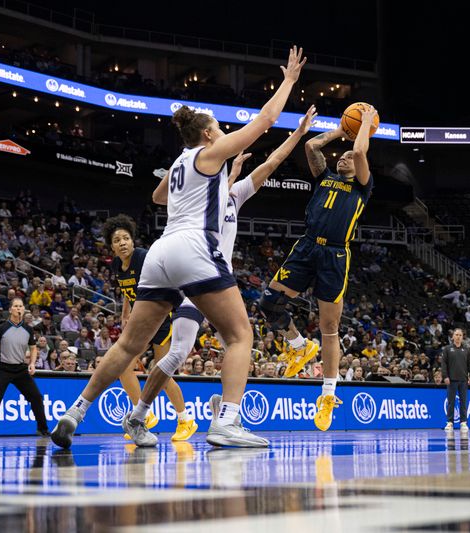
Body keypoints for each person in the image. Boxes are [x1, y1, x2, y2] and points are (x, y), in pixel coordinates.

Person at [51, 45, 306, 450]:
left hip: (159, 252)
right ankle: (226, 423)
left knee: (129, 345)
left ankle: (75, 411)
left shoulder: (179, 164)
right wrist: (289, 81)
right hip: (193, 248)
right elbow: (266, 119)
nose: (224, 134)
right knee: (240, 335)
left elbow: (157, 198)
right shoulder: (209, 153)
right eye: (220, 130)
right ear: (207, 134)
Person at [123, 106, 318, 446]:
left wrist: (299, 134)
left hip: (215, 278)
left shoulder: (234, 195)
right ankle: (148, 414)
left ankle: (223, 412)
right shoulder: (197, 187)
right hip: (196, 272)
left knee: (234, 344)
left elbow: (270, 163)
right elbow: (163, 195)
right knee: (181, 351)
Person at [260, 105, 378, 432]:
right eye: (341, 156)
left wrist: (364, 127)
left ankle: (327, 394)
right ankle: (300, 347)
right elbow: (312, 146)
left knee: (329, 327)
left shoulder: (362, 187)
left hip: (335, 256)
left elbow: (359, 152)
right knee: (268, 302)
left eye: (349, 158)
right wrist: (341, 130)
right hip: (307, 245)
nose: (343, 158)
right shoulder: (326, 177)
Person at [102, 213, 196, 441]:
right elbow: (128, 290)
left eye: (126, 238)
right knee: (122, 367)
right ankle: (143, 415)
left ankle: (186, 420)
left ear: (133, 240)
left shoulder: (143, 258)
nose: (122, 243)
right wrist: (126, 311)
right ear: (111, 247)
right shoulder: (117, 265)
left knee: (161, 373)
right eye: (117, 240)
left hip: (163, 318)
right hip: (143, 321)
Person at [0, 298, 49, 438]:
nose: (19, 308)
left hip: (20, 369)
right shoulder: (1, 328)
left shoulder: (28, 329)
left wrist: (32, 363)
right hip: (2, 369)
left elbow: (33, 348)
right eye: (16, 306)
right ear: (10, 309)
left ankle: (42, 429)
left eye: (21, 306)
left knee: (36, 397)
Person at [441, 328, 470, 432]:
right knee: (451, 402)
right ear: (453, 336)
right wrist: (445, 376)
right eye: (456, 334)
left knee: (463, 402)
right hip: (451, 380)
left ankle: (463, 422)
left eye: (460, 335)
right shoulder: (447, 349)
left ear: (462, 337)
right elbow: (444, 364)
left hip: (463, 380)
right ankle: (450, 422)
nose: (458, 336)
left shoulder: (467, 350)